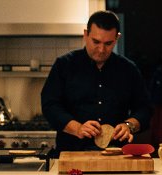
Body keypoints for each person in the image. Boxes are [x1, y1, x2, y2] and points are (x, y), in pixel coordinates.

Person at [41, 10, 152, 154]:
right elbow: (50, 105)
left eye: (108, 43)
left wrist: (129, 125)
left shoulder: (128, 69)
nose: (101, 49)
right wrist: (77, 128)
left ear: (117, 38)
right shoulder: (64, 65)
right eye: (96, 42)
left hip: (116, 154)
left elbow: (145, 109)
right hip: (72, 153)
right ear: (86, 34)